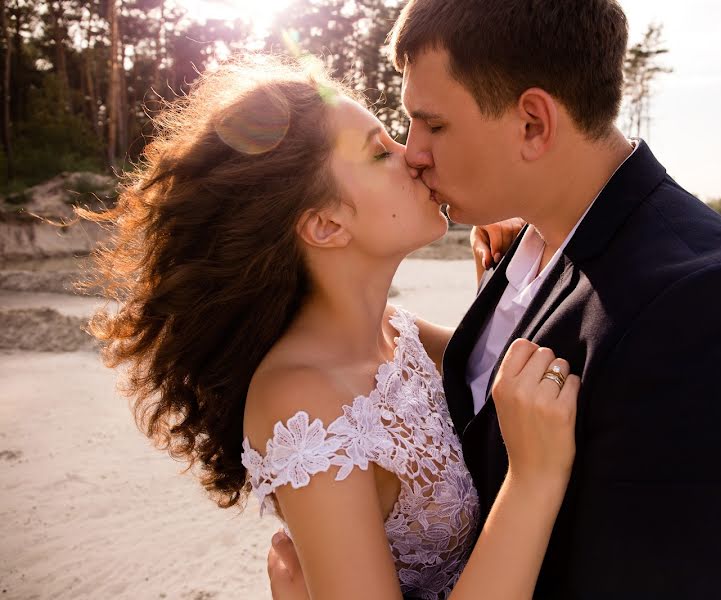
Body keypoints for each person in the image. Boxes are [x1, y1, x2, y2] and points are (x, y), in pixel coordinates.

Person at [268, 1, 721, 598]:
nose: (415, 152)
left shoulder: (713, 312)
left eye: (433, 124)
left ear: (533, 124)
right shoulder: (528, 248)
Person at [83, 55, 584, 600]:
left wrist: (509, 270)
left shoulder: (397, 333)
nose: (414, 155)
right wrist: (533, 482)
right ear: (325, 225)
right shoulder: (301, 399)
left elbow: (494, 365)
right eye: (378, 151)